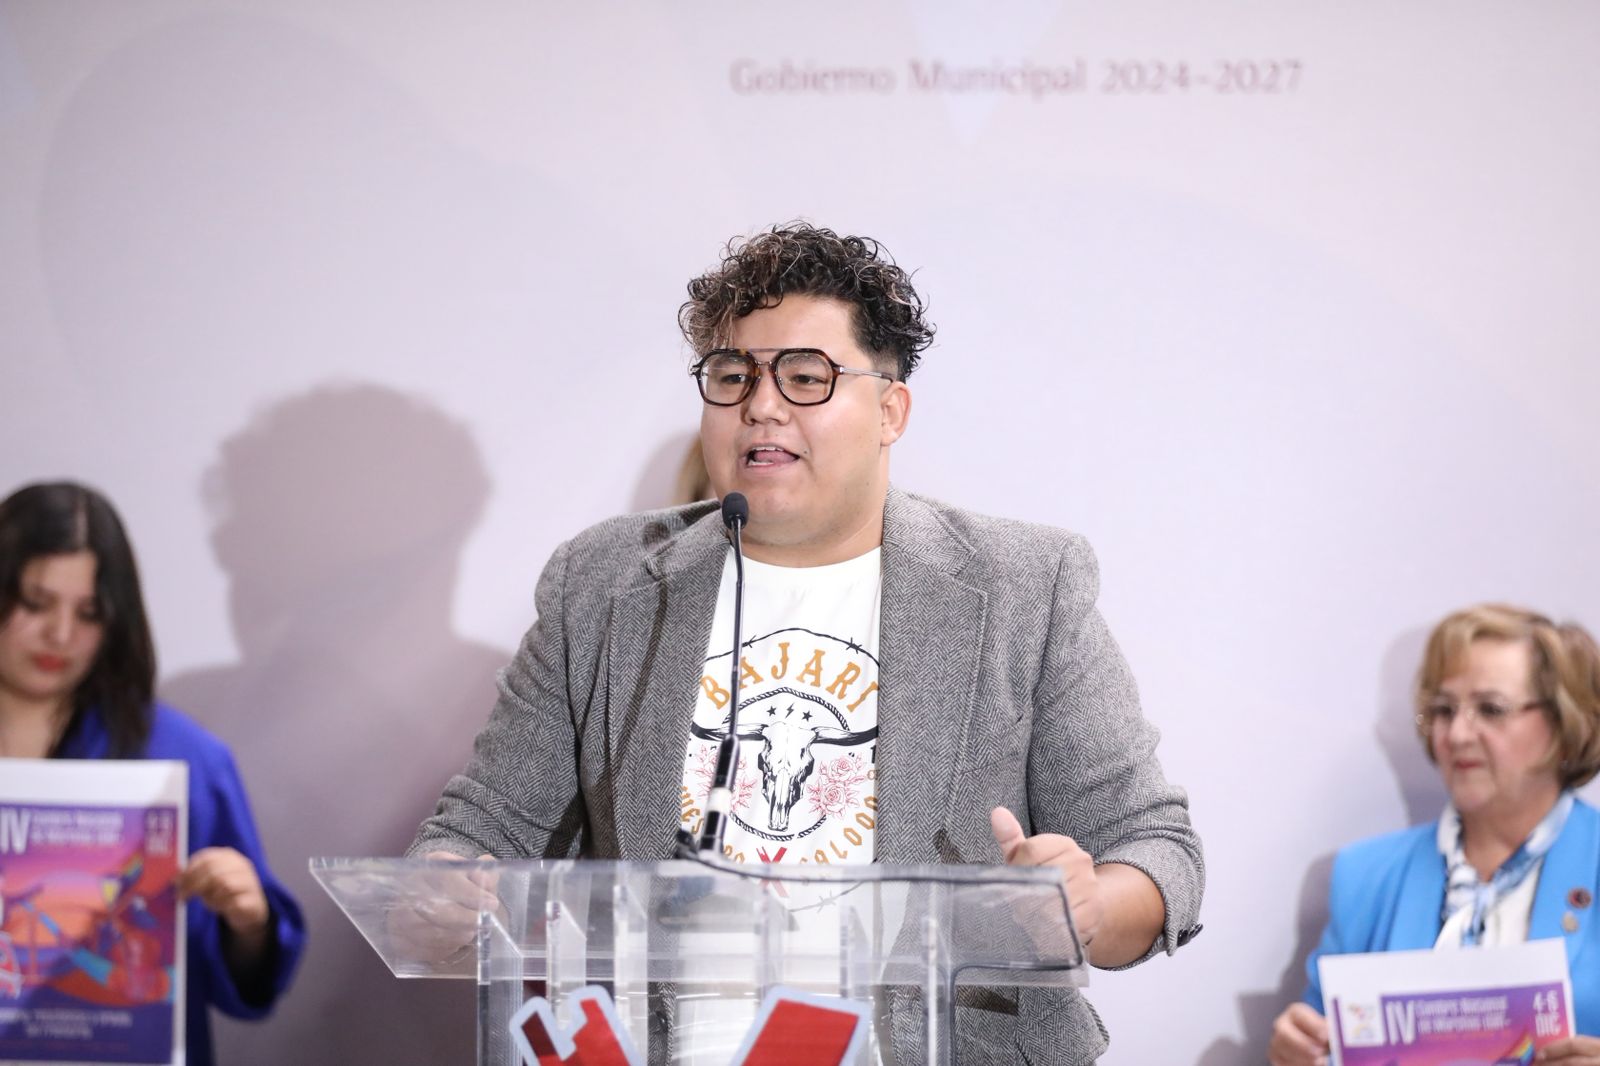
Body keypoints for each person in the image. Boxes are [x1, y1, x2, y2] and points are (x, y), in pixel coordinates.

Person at [411, 222, 1204, 1063]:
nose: (761, 405)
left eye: (805, 376)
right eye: (732, 376)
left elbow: (1156, 848)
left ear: (890, 410)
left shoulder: (1024, 584)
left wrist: (1089, 906)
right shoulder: (603, 583)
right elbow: (484, 826)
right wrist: (445, 886)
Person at [0, 481, 305, 1066]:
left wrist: (248, 921)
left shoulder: (181, 758)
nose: (60, 634)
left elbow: (247, 978)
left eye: (89, 613)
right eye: (35, 604)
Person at [1269, 604, 1600, 1066]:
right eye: (1443, 710)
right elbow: (1322, 1039)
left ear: (1566, 723)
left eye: (1490, 709)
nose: (1457, 734)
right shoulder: (1365, 876)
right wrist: (1294, 1053)